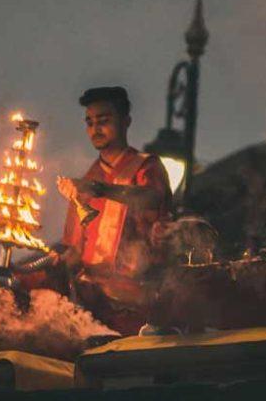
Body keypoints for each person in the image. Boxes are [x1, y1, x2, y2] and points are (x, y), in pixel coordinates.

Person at [21, 87, 172, 336]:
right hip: (93, 308)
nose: (95, 129)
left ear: (126, 122)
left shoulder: (146, 167)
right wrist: (48, 264)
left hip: (139, 306)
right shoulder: (86, 181)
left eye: (103, 121)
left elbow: (152, 198)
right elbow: (75, 250)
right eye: (89, 123)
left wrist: (101, 190)